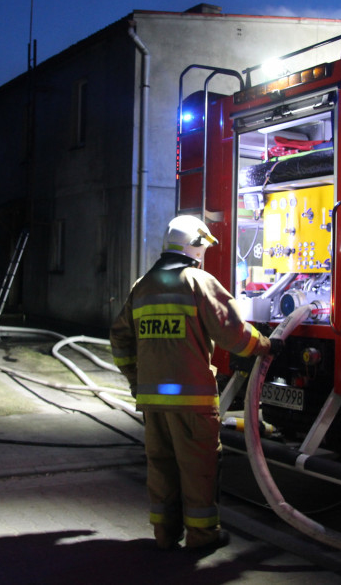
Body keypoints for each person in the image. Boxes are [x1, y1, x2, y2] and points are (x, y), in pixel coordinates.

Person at [110, 215, 271, 553]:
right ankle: (202, 537)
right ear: (194, 247)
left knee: (161, 468)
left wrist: (136, 381)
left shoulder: (142, 286)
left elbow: (120, 339)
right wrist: (266, 346)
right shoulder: (199, 282)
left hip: (153, 402)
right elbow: (234, 333)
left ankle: (165, 535)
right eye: (203, 247)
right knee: (199, 469)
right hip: (192, 402)